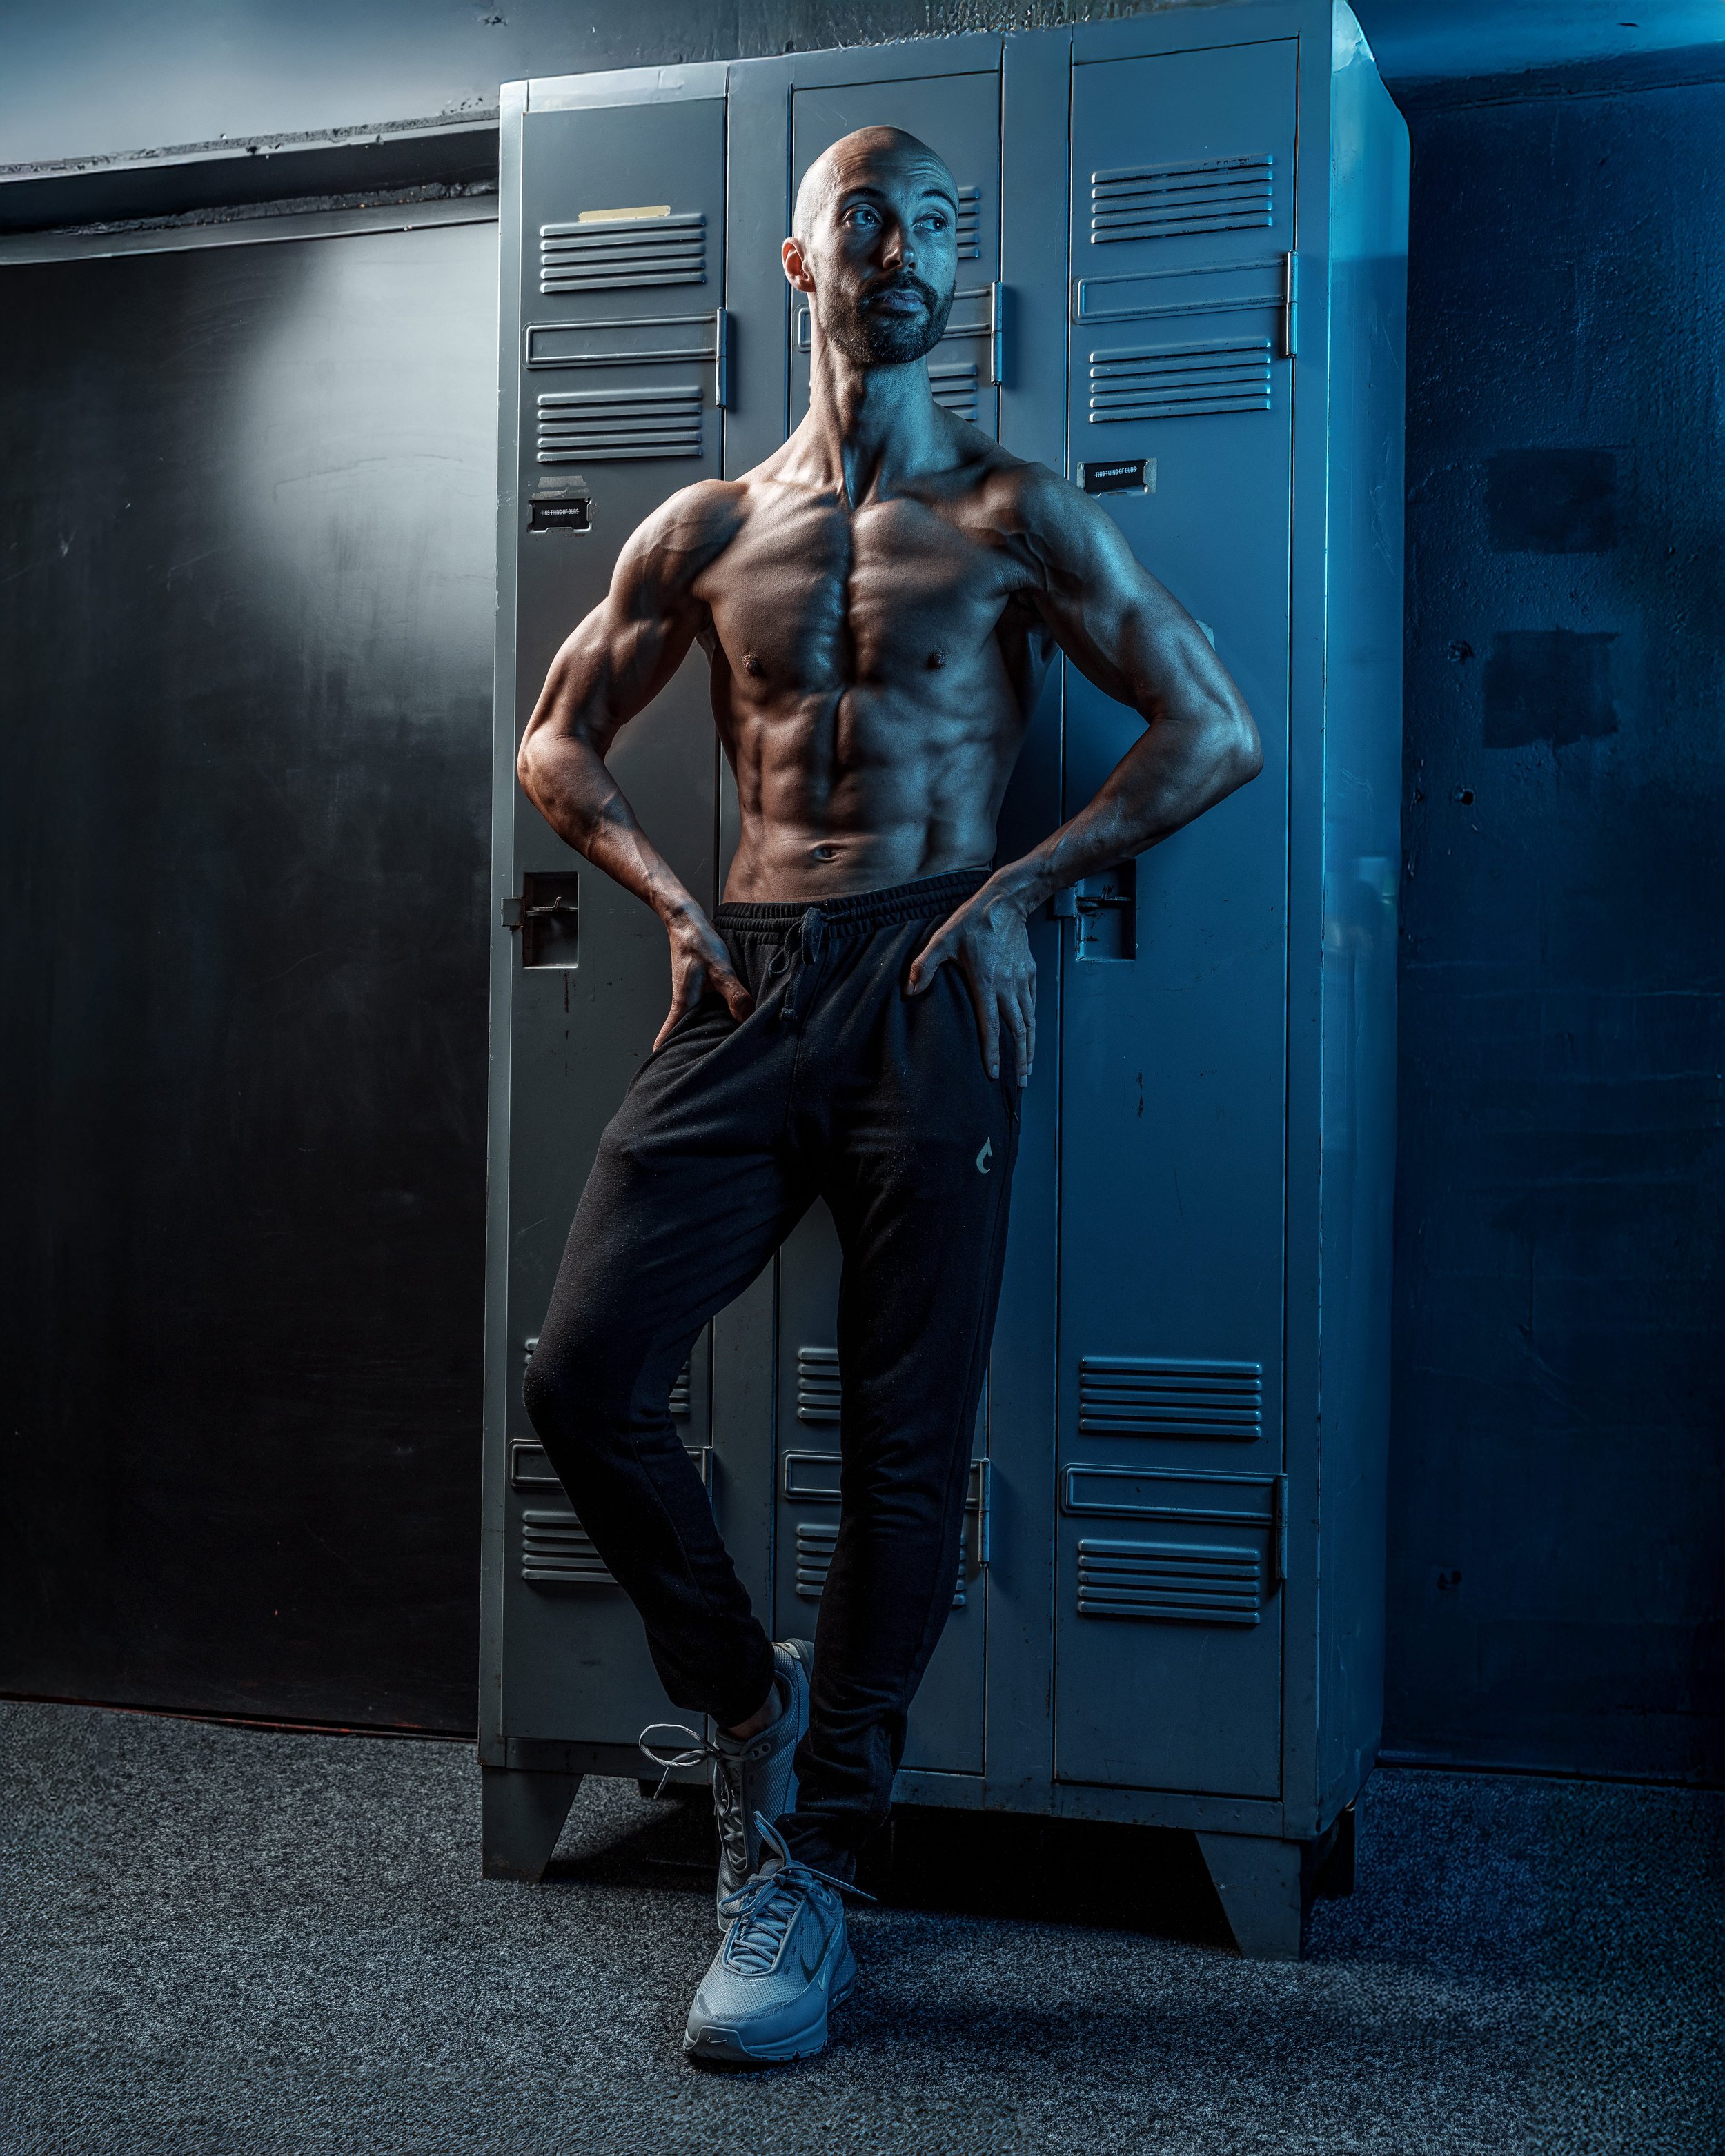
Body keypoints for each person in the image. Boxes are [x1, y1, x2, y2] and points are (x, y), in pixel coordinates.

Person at [516, 124, 1261, 2065]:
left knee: (903, 1449)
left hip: (931, 974)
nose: (908, 246)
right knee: (583, 1378)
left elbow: (1216, 727)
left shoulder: (1017, 513)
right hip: (746, 982)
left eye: (940, 224)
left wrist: (1027, 883)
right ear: (796, 260)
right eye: (872, 214)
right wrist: (669, 898)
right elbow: (555, 743)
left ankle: (809, 1867)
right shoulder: (693, 528)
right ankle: (745, 1719)